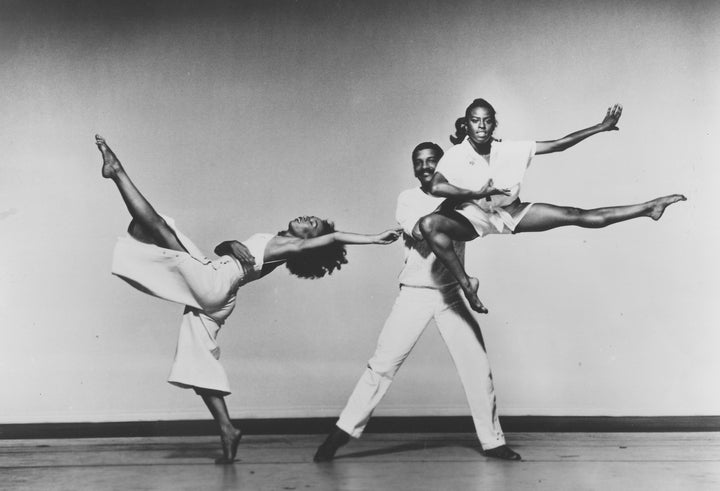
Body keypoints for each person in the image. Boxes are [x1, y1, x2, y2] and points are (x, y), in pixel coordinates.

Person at [96, 135, 401, 464]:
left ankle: (117, 172)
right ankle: (227, 428)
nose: (305, 218)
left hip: (215, 283)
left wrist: (373, 238)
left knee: (159, 227)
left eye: (311, 224)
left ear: (310, 241)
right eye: (309, 216)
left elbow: (334, 237)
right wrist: (229, 243)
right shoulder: (274, 243)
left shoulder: (289, 248)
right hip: (218, 292)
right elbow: (225, 253)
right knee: (196, 361)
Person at [314, 142, 521, 463]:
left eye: (432, 161)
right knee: (381, 367)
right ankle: (339, 434)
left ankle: (493, 442)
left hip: (450, 294)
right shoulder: (408, 199)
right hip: (414, 292)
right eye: (419, 162)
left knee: (478, 367)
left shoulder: (462, 197)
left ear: (441, 165)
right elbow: (425, 230)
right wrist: (458, 195)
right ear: (414, 169)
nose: (425, 167)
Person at [419, 99, 686, 312]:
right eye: (475, 121)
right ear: (467, 124)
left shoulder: (510, 149)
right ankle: (466, 284)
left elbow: (559, 145)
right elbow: (436, 187)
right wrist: (474, 191)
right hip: (473, 217)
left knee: (574, 214)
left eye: (487, 121)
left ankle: (649, 207)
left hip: (510, 212)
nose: (481, 126)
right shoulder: (456, 155)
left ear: (493, 125)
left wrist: (600, 127)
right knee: (429, 224)